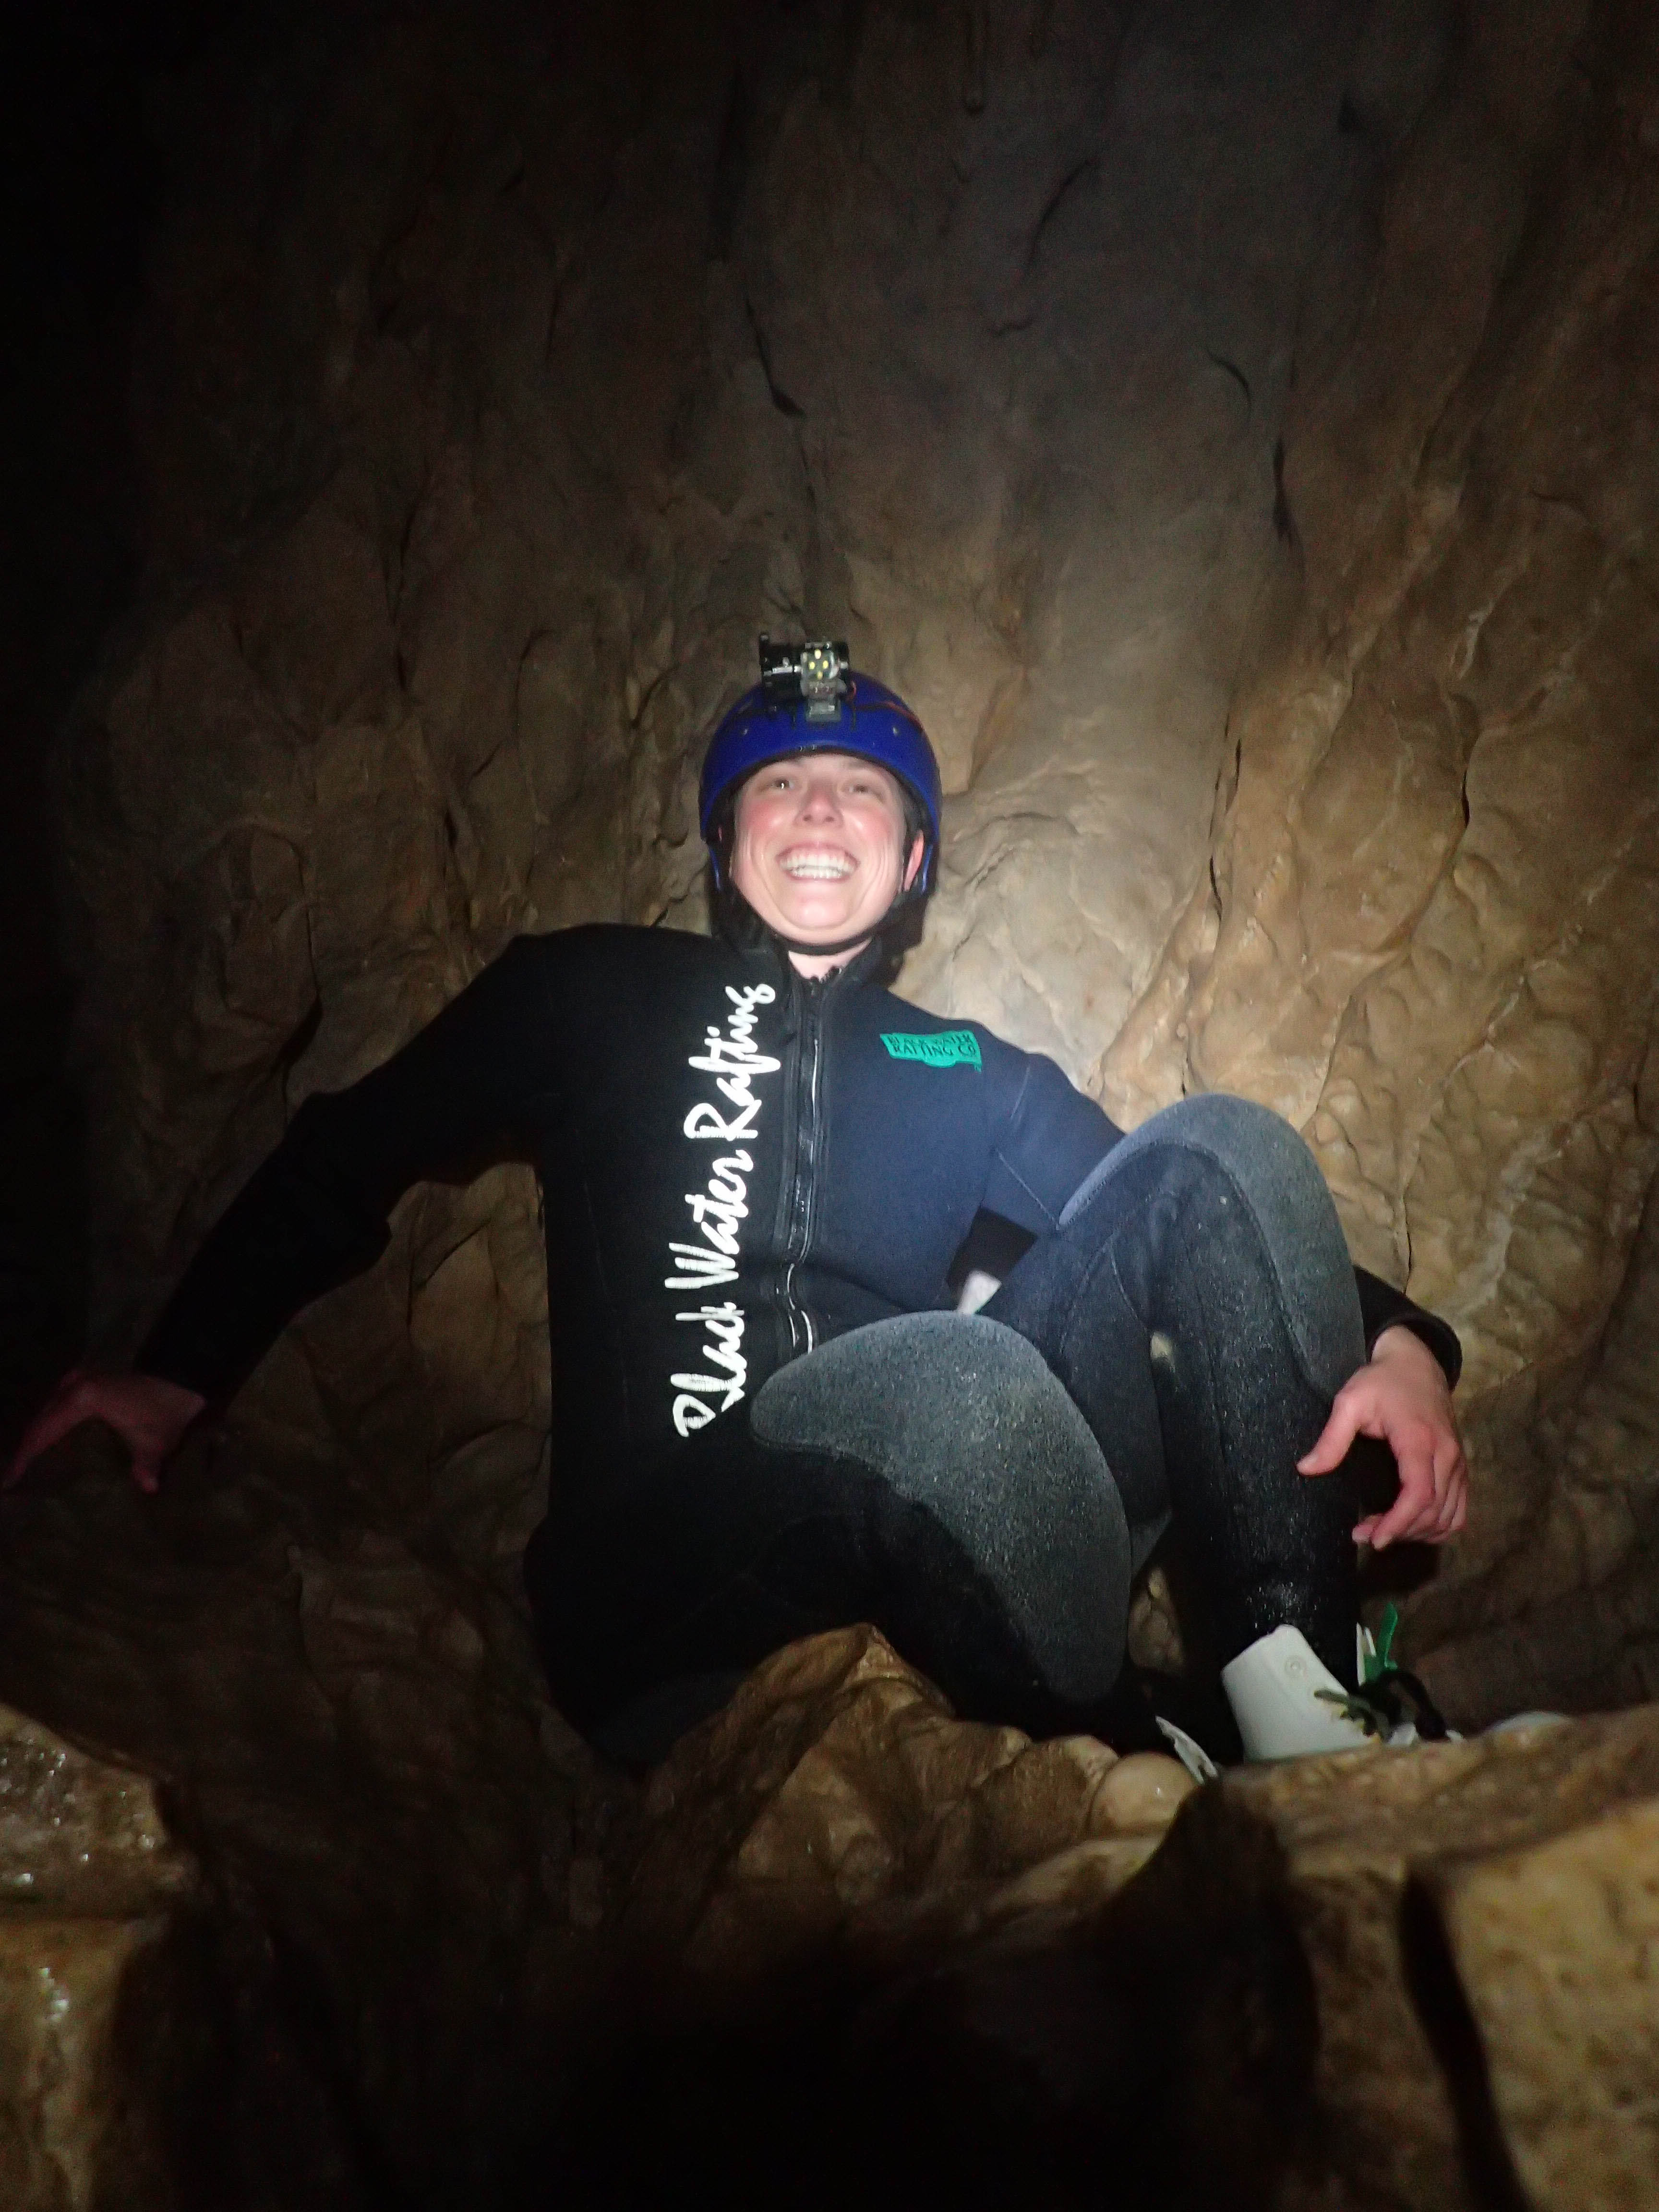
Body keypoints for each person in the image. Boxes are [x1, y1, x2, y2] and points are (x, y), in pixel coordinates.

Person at [7, 638, 1466, 1768]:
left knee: (1216, 1145)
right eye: (779, 782)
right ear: (725, 841)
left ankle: (1310, 1726)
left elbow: (1196, 1216)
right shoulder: (592, 993)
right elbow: (348, 1150)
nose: (820, 807)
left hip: (952, 1502)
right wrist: (176, 1369)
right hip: (667, 1586)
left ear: (912, 859)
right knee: (957, 1385)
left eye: (863, 788)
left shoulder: (968, 1072)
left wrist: (1407, 1345)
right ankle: (1131, 1748)